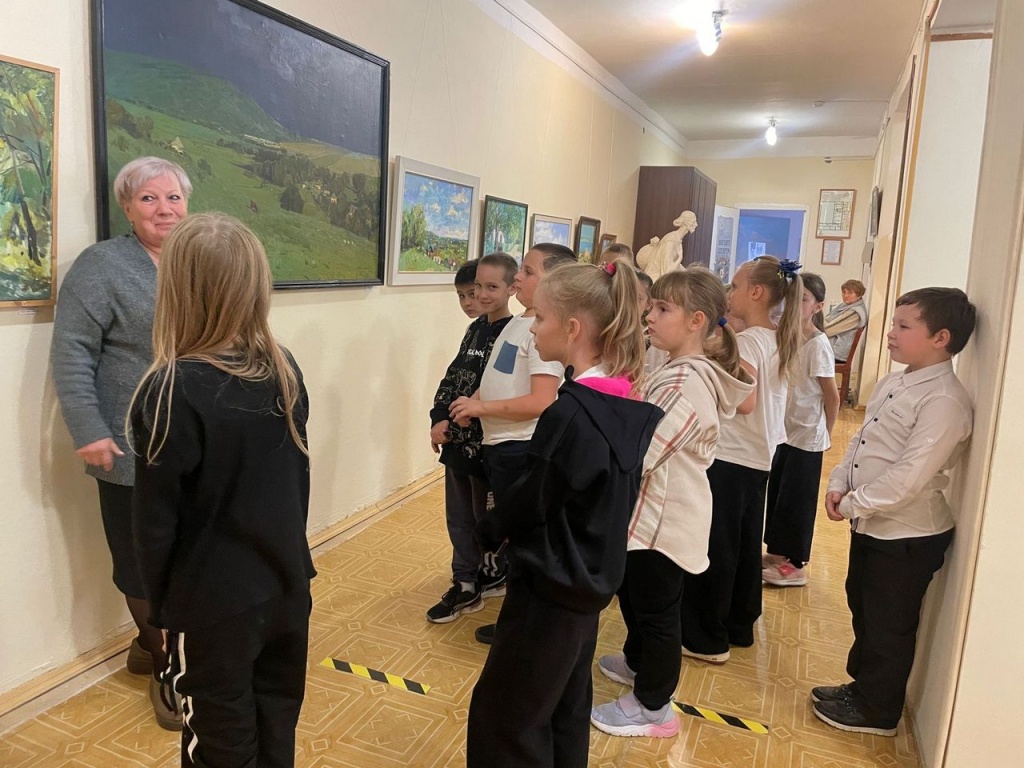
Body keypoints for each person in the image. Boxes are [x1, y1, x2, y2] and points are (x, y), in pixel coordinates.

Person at [129, 213, 316, 766]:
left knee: (217, 745)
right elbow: (295, 489)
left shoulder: (169, 387)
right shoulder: (283, 367)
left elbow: (154, 525)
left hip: (212, 606)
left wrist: (164, 613)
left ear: (176, 288)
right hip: (287, 586)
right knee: (275, 726)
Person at [466, 260, 663, 768]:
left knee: (507, 719)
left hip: (551, 585)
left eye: (541, 318)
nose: (533, 328)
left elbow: (536, 497)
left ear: (572, 329)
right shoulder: (618, 400)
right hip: (585, 582)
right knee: (563, 709)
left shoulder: (571, 413)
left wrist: (489, 530)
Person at [50, 156, 191, 728]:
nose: (165, 209)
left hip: (194, 439)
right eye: (149, 198)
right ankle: (166, 666)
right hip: (129, 443)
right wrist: (88, 429)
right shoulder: (102, 266)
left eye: (174, 197)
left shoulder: (197, 257)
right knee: (141, 562)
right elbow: (72, 352)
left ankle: (149, 642)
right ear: (127, 208)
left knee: (185, 556)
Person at [590, 268, 754, 738]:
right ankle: (637, 661)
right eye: (652, 306)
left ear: (696, 321)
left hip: (663, 524)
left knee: (657, 613)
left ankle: (653, 706)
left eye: (663, 309)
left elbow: (642, 453)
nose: (650, 315)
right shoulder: (673, 369)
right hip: (649, 516)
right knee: (636, 600)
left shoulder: (686, 385)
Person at [812, 287, 975, 737]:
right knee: (863, 608)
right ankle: (860, 689)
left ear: (941, 337)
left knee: (889, 624)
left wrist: (852, 503)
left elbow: (909, 477)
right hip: (872, 524)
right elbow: (862, 442)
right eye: (893, 324)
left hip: (907, 534)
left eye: (904, 326)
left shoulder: (944, 401)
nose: (890, 333)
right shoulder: (893, 382)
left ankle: (878, 710)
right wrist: (838, 483)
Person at [449, 242, 576, 644]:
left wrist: (481, 407)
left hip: (518, 449)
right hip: (499, 447)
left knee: (522, 544)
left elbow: (542, 401)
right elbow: (500, 375)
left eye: (528, 271)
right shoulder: (521, 323)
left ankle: (522, 627)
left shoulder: (546, 332)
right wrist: (473, 405)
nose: (517, 277)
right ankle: (517, 619)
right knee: (512, 540)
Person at [680, 255, 803, 662]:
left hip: (732, 457)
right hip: (757, 457)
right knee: (745, 544)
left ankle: (706, 638)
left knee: (717, 545)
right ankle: (738, 624)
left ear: (756, 292)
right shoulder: (775, 336)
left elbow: (745, 400)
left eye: (734, 286)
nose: (729, 293)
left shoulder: (749, 341)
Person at [426, 255, 516, 622]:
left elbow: (504, 388)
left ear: (512, 288)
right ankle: (464, 583)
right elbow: (454, 376)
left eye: (491, 287)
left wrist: (476, 410)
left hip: (490, 447)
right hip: (458, 443)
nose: (479, 295)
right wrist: (439, 417)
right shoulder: (474, 330)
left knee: (486, 519)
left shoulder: (516, 334)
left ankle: (492, 573)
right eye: (477, 287)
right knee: (459, 517)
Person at [762, 273, 840, 587]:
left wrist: (827, 433)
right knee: (780, 495)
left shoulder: (818, 345)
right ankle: (778, 553)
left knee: (798, 501)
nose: (795, 305)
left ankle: (795, 564)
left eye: (804, 299)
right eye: (792, 298)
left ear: (818, 306)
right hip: (784, 430)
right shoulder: (787, 336)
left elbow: (831, 396)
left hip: (807, 436)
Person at [824, 279, 868, 363]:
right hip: (829, 349)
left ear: (859, 295)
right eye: (844, 292)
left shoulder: (855, 313)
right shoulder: (845, 305)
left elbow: (828, 330)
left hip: (836, 354)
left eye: (850, 293)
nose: (846, 295)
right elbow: (827, 318)